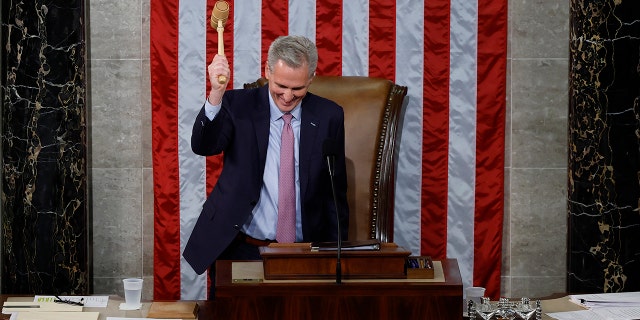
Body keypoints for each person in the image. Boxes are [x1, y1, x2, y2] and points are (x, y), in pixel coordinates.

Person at [182, 35, 350, 298]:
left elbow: (335, 192)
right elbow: (204, 146)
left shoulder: (329, 116)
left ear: (311, 79)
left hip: (303, 251)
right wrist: (216, 93)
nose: (287, 96)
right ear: (267, 71)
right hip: (243, 247)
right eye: (280, 86)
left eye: (297, 89)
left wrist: (335, 257)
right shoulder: (238, 105)